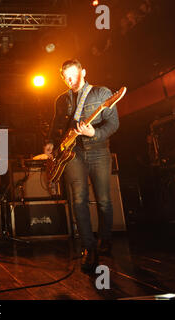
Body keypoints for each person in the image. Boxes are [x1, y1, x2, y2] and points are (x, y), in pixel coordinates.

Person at [47, 59, 119, 273]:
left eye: (73, 74)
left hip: (98, 151)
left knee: (104, 200)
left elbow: (114, 123)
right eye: (66, 76)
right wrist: (50, 141)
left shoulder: (102, 93)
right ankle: (89, 248)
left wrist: (94, 133)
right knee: (79, 201)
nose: (70, 80)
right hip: (72, 154)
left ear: (83, 72)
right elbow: (55, 126)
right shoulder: (61, 100)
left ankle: (105, 239)